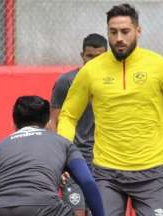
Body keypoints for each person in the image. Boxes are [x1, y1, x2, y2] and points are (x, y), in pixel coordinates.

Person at [57, 3, 163, 216]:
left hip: (152, 173)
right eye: (113, 32)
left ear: (138, 31)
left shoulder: (159, 66)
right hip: (106, 174)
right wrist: (65, 153)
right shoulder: (91, 71)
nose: (119, 38)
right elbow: (69, 115)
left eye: (125, 32)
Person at [0, 96, 104, 216]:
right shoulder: (64, 144)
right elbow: (87, 182)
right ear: (48, 123)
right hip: (45, 207)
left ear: (14, 123)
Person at [49, 33, 107, 216]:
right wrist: (60, 162)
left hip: (106, 160)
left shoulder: (112, 82)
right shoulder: (66, 82)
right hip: (75, 159)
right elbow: (54, 123)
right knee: (76, 212)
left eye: (99, 57)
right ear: (82, 55)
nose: (93, 61)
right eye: (89, 56)